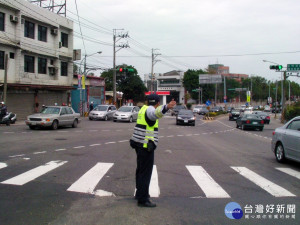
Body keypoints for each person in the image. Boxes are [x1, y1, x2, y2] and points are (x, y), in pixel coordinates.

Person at [130, 94, 176, 207]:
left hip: (138, 143)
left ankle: (139, 193)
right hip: (146, 146)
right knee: (145, 173)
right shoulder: (150, 110)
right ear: (157, 103)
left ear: (147, 101)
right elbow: (155, 114)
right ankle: (143, 199)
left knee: (140, 170)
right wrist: (166, 107)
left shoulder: (143, 108)